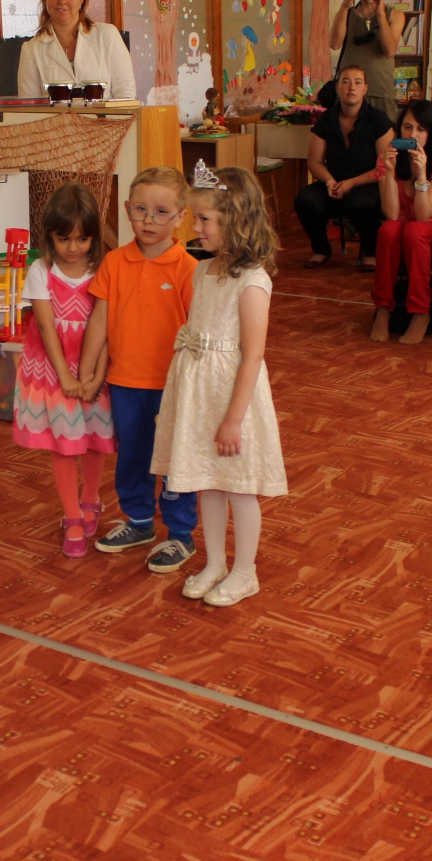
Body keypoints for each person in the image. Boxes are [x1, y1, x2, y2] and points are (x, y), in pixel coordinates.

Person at [151, 164, 286, 608]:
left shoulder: (253, 282)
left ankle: (245, 572)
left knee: (238, 487)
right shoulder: (202, 271)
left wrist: (233, 420)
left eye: (205, 219)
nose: (196, 227)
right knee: (206, 482)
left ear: (236, 220)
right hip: (200, 390)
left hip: (232, 397)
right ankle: (214, 563)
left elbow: (252, 355)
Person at [79, 166, 199, 574]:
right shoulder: (114, 262)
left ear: (181, 217)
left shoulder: (188, 268)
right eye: (141, 209)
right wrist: (88, 373)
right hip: (125, 382)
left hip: (172, 387)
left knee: (173, 461)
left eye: (161, 212)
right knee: (132, 455)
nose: (149, 220)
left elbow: (197, 331)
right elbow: (99, 320)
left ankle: (180, 534)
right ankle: (140, 522)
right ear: (127, 208)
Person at [12, 183, 115, 558]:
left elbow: (109, 327)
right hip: (52, 370)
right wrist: (67, 377)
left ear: (94, 237)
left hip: (94, 368)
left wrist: (95, 376)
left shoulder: (104, 268)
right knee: (64, 442)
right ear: (49, 236)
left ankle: (91, 499)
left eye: (82, 238)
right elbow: (45, 327)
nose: (73, 247)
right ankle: (72, 516)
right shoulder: (41, 270)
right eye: (64, 238)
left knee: (94, 437)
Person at [370, 99, 432, 344]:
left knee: (415, 229)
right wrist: (389, 172)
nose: (413, 135)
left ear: (431, 133)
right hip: (405, 238)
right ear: (399, 129)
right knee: (389, 228)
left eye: (421, 129)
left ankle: (421, 312)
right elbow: (391, 214)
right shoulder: (388, 157)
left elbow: (424, 216)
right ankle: (382, 310)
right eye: (408, 127)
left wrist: (422, 175)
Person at [293, 65, 393, 270]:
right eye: (346, 82)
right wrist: (329, 181)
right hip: (335, 184)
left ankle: (371, 252)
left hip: (369, 184)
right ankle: (321, 249)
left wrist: (352, 183)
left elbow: (385, 167)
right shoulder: (326, 119)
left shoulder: (378, 119)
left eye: (357, 82)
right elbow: (314, 162)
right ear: (338, 87)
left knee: (359, 203)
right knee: (305, 199)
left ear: (365, 88)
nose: (351, 87)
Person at [16, 0, 135, 100]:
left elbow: (126, 95)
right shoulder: (31, 50)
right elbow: (29, 107)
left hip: (105, 115)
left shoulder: (108, 35)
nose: (62, 0)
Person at [328, 0, 407, 122]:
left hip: (381, 93)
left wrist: (380, 13)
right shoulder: (346, 13)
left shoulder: (395, 15)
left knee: (384, 138)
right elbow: (334, 44)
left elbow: (389, 51)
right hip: (349, 94)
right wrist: (344, 6)